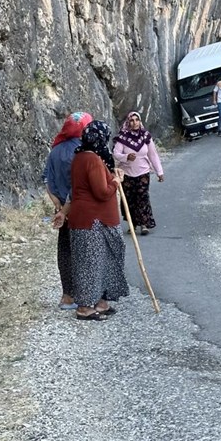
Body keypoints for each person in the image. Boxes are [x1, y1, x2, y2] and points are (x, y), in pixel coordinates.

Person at [64, 121, 129, 321]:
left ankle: (101, 301)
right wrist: (116, 183)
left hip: (92, 220)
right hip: (92, 221)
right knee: (90, 264)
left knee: (102, 261)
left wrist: (112, 176)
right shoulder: (91, 159)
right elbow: (101, 192)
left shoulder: (82, 157)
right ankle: (84, 307)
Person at [45, 111, 93, 310]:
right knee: (84, 251)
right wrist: (66, 209)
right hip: (80, 209)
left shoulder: (54, 150)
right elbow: (78, 187)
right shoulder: (82, 151)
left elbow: (47, 181)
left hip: (62, 209)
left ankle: (67, 296)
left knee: (65, 251)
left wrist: (58, 206)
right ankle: (86, 297)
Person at [112, 111, 165, 236]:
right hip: (127, 174)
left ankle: (144, 224)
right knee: (130, 199)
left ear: (140, 121)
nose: (135, 122)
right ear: (128, 122)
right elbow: (116, 153)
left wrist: (159, 171)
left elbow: (152, 154)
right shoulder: (123, 137)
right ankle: (133, 224)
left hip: (143, 172)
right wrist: (126, 157)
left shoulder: (145, 136)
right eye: (132, 120)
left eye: (137, 120)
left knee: (142, 197)